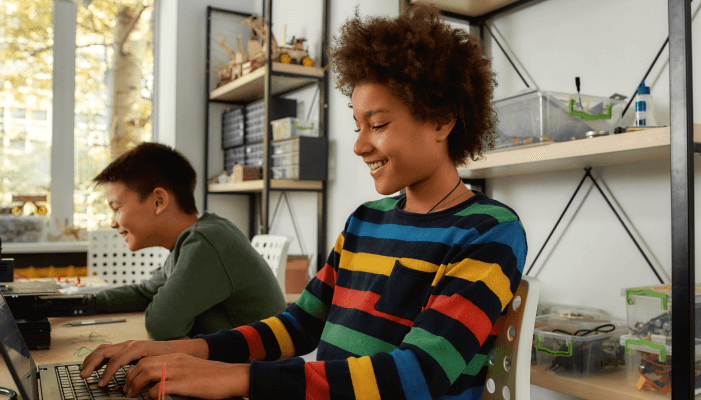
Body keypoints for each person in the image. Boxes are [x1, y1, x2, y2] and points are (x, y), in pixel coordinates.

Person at [79, 5, 527, 399]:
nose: (360, 146)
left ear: (442, 120)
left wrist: (238, 379)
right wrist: (182, 351)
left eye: (379, 124)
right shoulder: (364, 222)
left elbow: (419, 376)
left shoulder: (487, 231)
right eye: (357, 127)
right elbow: (298, 326)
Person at [89, 142, 287, 341]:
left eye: (117, 208)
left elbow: (161, 324)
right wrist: (81, 302)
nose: (113, 223)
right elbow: (144, 293)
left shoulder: (207, 242)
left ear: (158, 201)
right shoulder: (187, 244)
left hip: (253, 369)